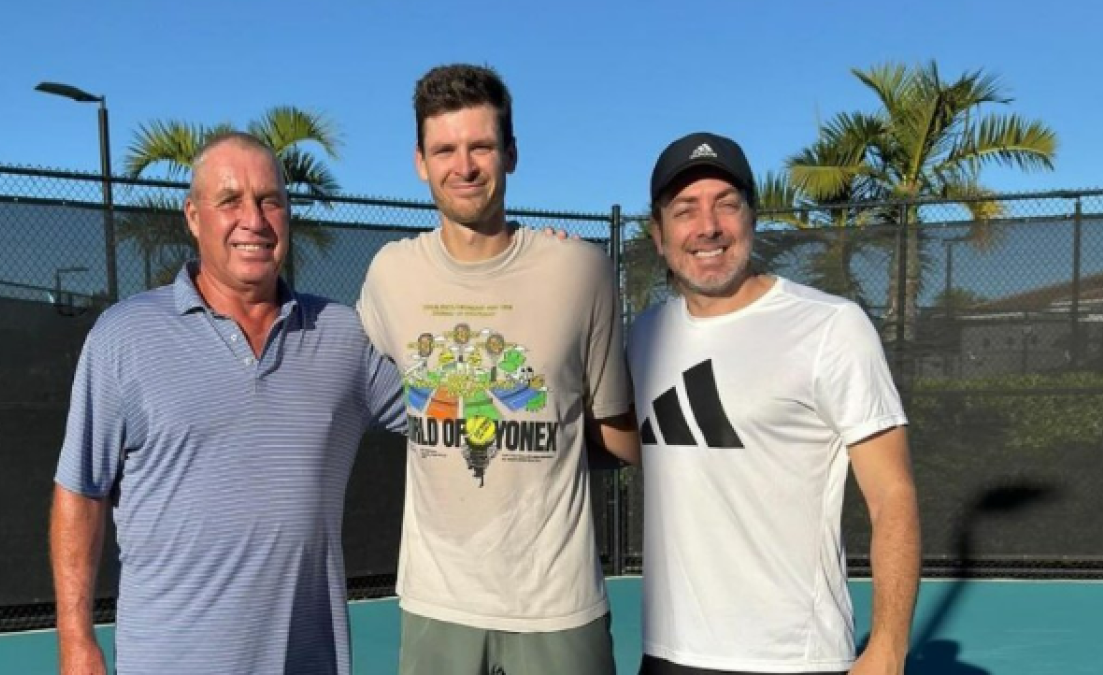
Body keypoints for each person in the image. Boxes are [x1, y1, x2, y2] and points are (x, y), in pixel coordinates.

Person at [49, 133, 406, 675]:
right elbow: (81, 494)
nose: (254, 220)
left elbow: (449, 415)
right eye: (230, 200)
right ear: (194, 216)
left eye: (270, 200)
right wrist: (76, 642)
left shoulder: (343, 335)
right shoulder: (123, 336)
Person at [357, 63, 640, 675]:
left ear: (510, 153)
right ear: (420, 161)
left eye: (481, 146)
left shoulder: (580, 271)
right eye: (445, 149)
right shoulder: (389, 275)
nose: (463, 166)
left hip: (558, 605)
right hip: (438, 601)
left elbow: (614, 429)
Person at [629, 132, 921, 675]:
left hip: (792, 659)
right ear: (659, 234)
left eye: (726, 204)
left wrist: (887, 647)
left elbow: (893, 494)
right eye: (685, 210)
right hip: (668, 656)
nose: (708, 226)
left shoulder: (831, 327)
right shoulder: (643, 336)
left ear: (753, 218)